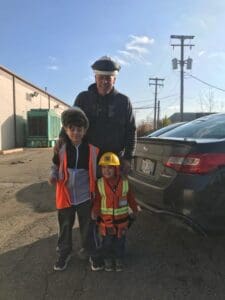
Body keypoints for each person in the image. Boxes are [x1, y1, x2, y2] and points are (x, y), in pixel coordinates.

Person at [49, 107, 99, 271]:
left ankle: (91, 252)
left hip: (86, 196)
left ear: (85, 131)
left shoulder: (92, 150)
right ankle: (64, 252)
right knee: (65, 226)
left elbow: (98, 170)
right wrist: (53, 175)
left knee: (88, 226)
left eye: (79, 129)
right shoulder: (61, 148)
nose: (76, 132)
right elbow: (55, 165)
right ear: (66, 129)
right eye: (72, 129)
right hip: (65, 196)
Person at [74, 55, 136, 176]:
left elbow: (131, 131)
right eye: (101, 77)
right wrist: (61, 140)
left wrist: (128, 158)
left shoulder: (124, 102)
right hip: (87, 160)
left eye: (108, 78)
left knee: (113, 194)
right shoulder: (83, 98)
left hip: (115, 162)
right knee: (90, 194)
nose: (104, 81)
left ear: (114, 80)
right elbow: (70, 124)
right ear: (95, 78)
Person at [91, 152, 138, 272]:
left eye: (110, 167)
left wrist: (135, 210)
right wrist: (95, 212)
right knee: (106, 243)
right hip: (106, 223)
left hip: (122, 223)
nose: (107, 170)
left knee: (120, 242)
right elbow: (97, 200)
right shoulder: (99, 183)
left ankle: (118, 259)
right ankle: (107, 259)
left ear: (116, 168)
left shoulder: (125, 183)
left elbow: (130, 198)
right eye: (104, 167)